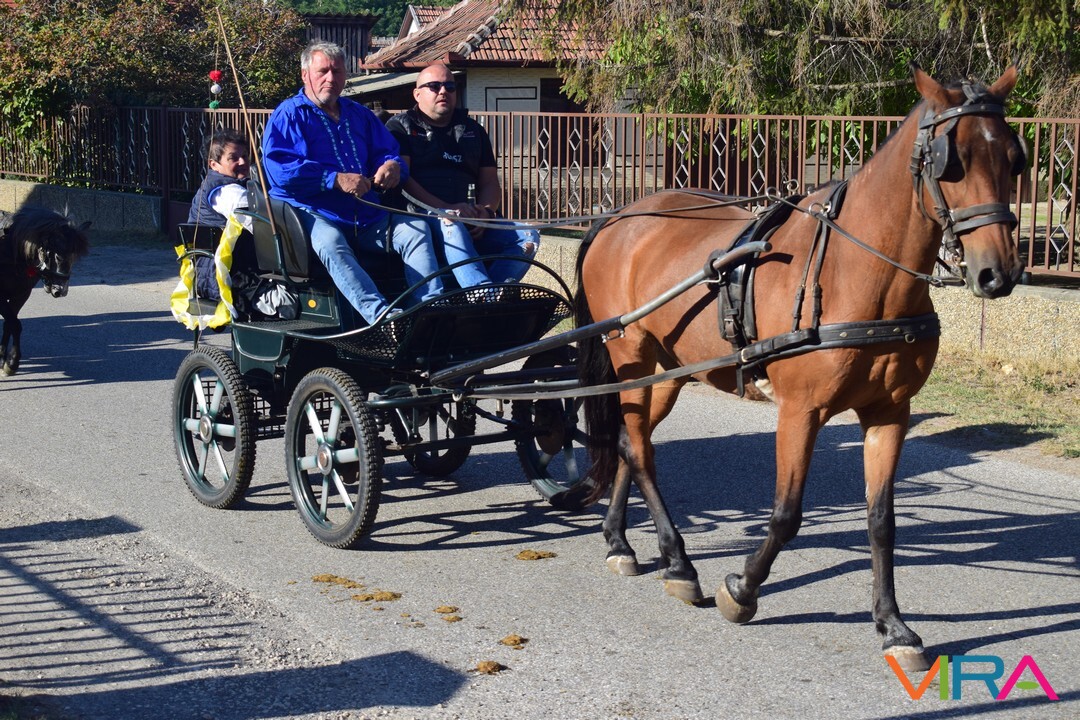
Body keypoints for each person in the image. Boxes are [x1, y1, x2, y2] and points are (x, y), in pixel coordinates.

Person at [261, 41, 443, 325]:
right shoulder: (289, 114)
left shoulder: (360, 114)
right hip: (313, 214)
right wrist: (334, 179)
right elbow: (280, 171)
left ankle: (430, 310)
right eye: (323, 71)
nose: (330, 78)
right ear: (305, 75)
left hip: (366, 214)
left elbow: (388, 151)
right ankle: (383, 317)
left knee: (416, 231)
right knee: (331, 242)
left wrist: (391, 165)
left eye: (337, 71)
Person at [386, 63, 539, 288]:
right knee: (452, 222)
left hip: (466, 216)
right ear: (417, 94)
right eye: (434, 86)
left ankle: (493, 293)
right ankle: (481, 293)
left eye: (449, 87)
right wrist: (446, 209)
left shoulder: (473, 130)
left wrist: (486, 213)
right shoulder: (400, 127)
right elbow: (405, 181)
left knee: (528, 236)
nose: (443, 92)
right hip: (421, 217)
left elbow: (490, 181)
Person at [186, 128, 259, 309]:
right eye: (233, 158)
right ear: (214, 164)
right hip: (224, 276)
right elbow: (260, 223)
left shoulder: (231, 184)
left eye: (245, 156)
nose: (243, 162)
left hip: (228, 270)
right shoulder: (225, 192)